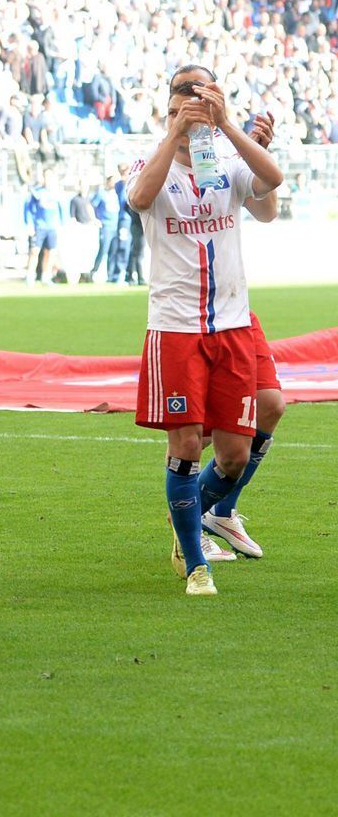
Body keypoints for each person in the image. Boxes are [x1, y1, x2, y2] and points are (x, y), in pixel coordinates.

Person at [126, 66, 282, 595]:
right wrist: (174, 134)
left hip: (233, 325)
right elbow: (140, 199)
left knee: (234, 453)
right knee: (188, 443)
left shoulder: (228, 163)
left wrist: (230, 127)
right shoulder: (150, 160)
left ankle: (194, 518)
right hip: (175, 328)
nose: (190, 117)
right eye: (178, 109)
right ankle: (196, 564)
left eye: (199, 106)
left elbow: (271, 185)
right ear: (167, 110)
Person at [204, 113, 283, 560]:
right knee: (199, 434)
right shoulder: (167, 157)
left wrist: (257, 154)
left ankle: (221, 511)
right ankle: (187, 526)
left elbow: (267, 212)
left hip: (236, 309)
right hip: (190, 314)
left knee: (270, 406)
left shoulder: (229, 150)